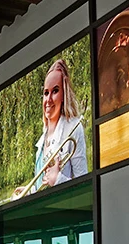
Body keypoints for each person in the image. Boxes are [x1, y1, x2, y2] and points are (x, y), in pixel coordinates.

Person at [16, 58, 87, 196]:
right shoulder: (42, 140)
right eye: (46, 93)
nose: (48, 100)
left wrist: (58, 180)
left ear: (64, 94)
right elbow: (43, 185)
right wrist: (30, 191)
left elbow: (83, 187)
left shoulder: (74, 128)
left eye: (55, 91)